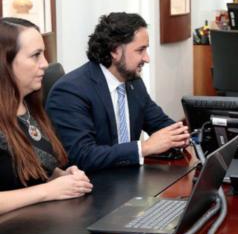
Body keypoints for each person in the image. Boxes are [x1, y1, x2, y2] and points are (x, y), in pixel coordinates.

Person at [46, 12, 190, 172]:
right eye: (140, 50)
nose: (147, 58)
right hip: (93, 185)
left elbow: (161, 125)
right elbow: (82, 156)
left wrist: (181, 136)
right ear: (115, 51)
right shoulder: (70, 91)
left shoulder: (133, 82)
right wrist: (144, 147)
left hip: (129, 180)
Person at [0, 18, 92, 215]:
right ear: (4, 62)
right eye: (35, 55)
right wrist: (48, 190)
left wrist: (62, 177)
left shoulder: (30, 106)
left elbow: (31, 173)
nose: (45, 64)